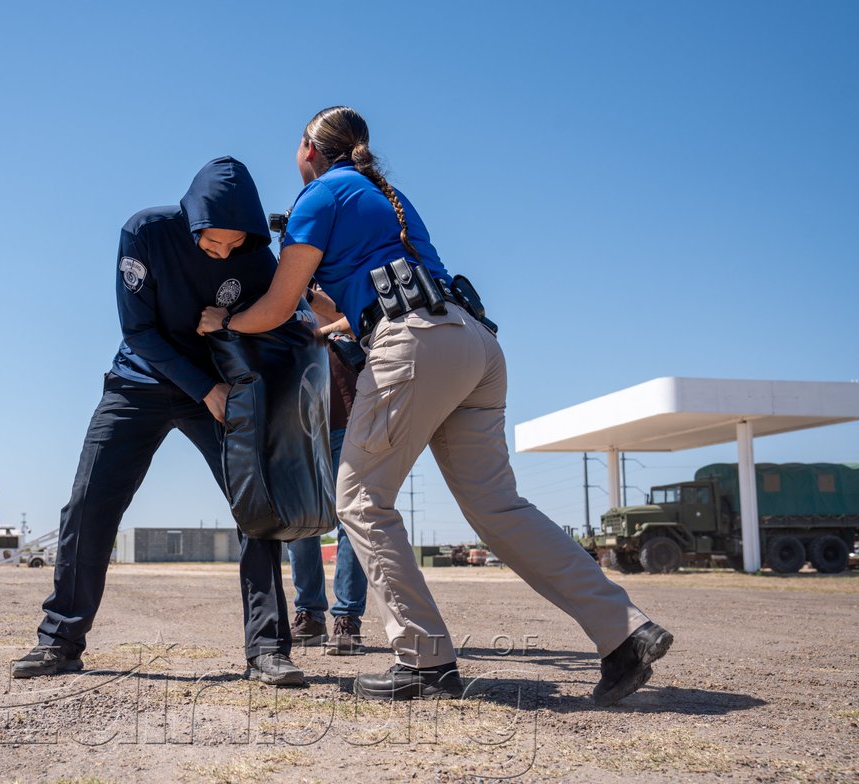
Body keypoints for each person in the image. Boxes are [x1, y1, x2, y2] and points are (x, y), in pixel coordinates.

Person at [198, 107, 673, 704]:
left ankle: (424, 659)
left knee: (360, 500)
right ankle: (625, 631)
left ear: (308, 149)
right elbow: (360, 296)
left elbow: (275, 307)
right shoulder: (386, 195)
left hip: (415, 343)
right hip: (473, 343)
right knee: (499, 507)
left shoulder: (318, 195)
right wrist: (325, 309)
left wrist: (225, 321)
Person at [12, 156, 304, 686]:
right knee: (88, 505)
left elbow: (272, 324)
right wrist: (206, 388)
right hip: (140, 384)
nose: (224, 252)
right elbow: (138, 331)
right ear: (192, 219)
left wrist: (237, 350)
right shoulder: (145, 231)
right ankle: (59, 640)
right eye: (213, 243)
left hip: (219, 391)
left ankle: (267, 649)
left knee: (256, 508)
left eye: (234, 244)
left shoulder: (257, 256)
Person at [287, 286, 368, 655]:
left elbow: (364, 317)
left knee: (352, 518)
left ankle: (347, 619)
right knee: (299, 520)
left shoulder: (340, 280)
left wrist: (318, 320)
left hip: (348, 417)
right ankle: (310, 615)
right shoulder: (279, 286)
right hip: (299, 420)